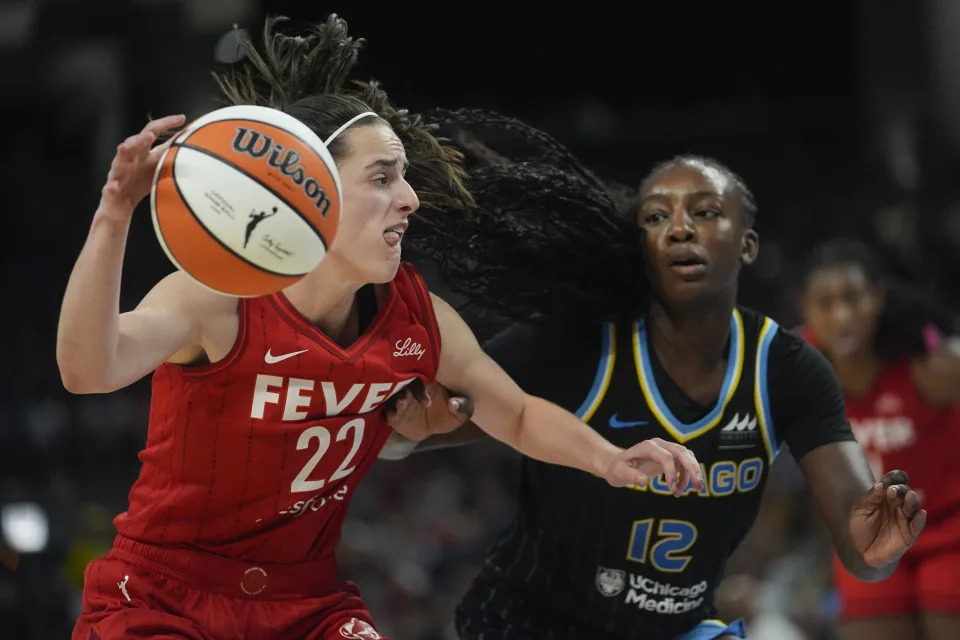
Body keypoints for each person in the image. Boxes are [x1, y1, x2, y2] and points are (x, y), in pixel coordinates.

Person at [57, 16, 703, 640]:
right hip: (162, 595)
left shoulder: (418, 321)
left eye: (406, 178)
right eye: (383, 177)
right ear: (309, 187)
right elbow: (88, 371)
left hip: (304, 600)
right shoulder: (217, 297)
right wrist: (114, 214)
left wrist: (613, 460)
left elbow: (522, 416)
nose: (411, 198)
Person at [388, 112, 929, 640]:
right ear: (641, 246)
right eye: (656, 217)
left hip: (678, 628)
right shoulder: (576, 341)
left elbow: (864, 547)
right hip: (535, 622)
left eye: (706, 211)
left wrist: (877, 555)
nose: (679, 229)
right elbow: (418, 428)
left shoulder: (789, 370)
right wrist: (406, 430)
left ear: (747, 244)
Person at [800, 238, 960, 640]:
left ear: (877, 297)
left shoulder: (930, 363)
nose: (842, 315)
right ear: (806, 310)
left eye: (853, 298)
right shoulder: (797, 368)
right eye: (826, 303)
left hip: (948, 525)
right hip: (871, 530)